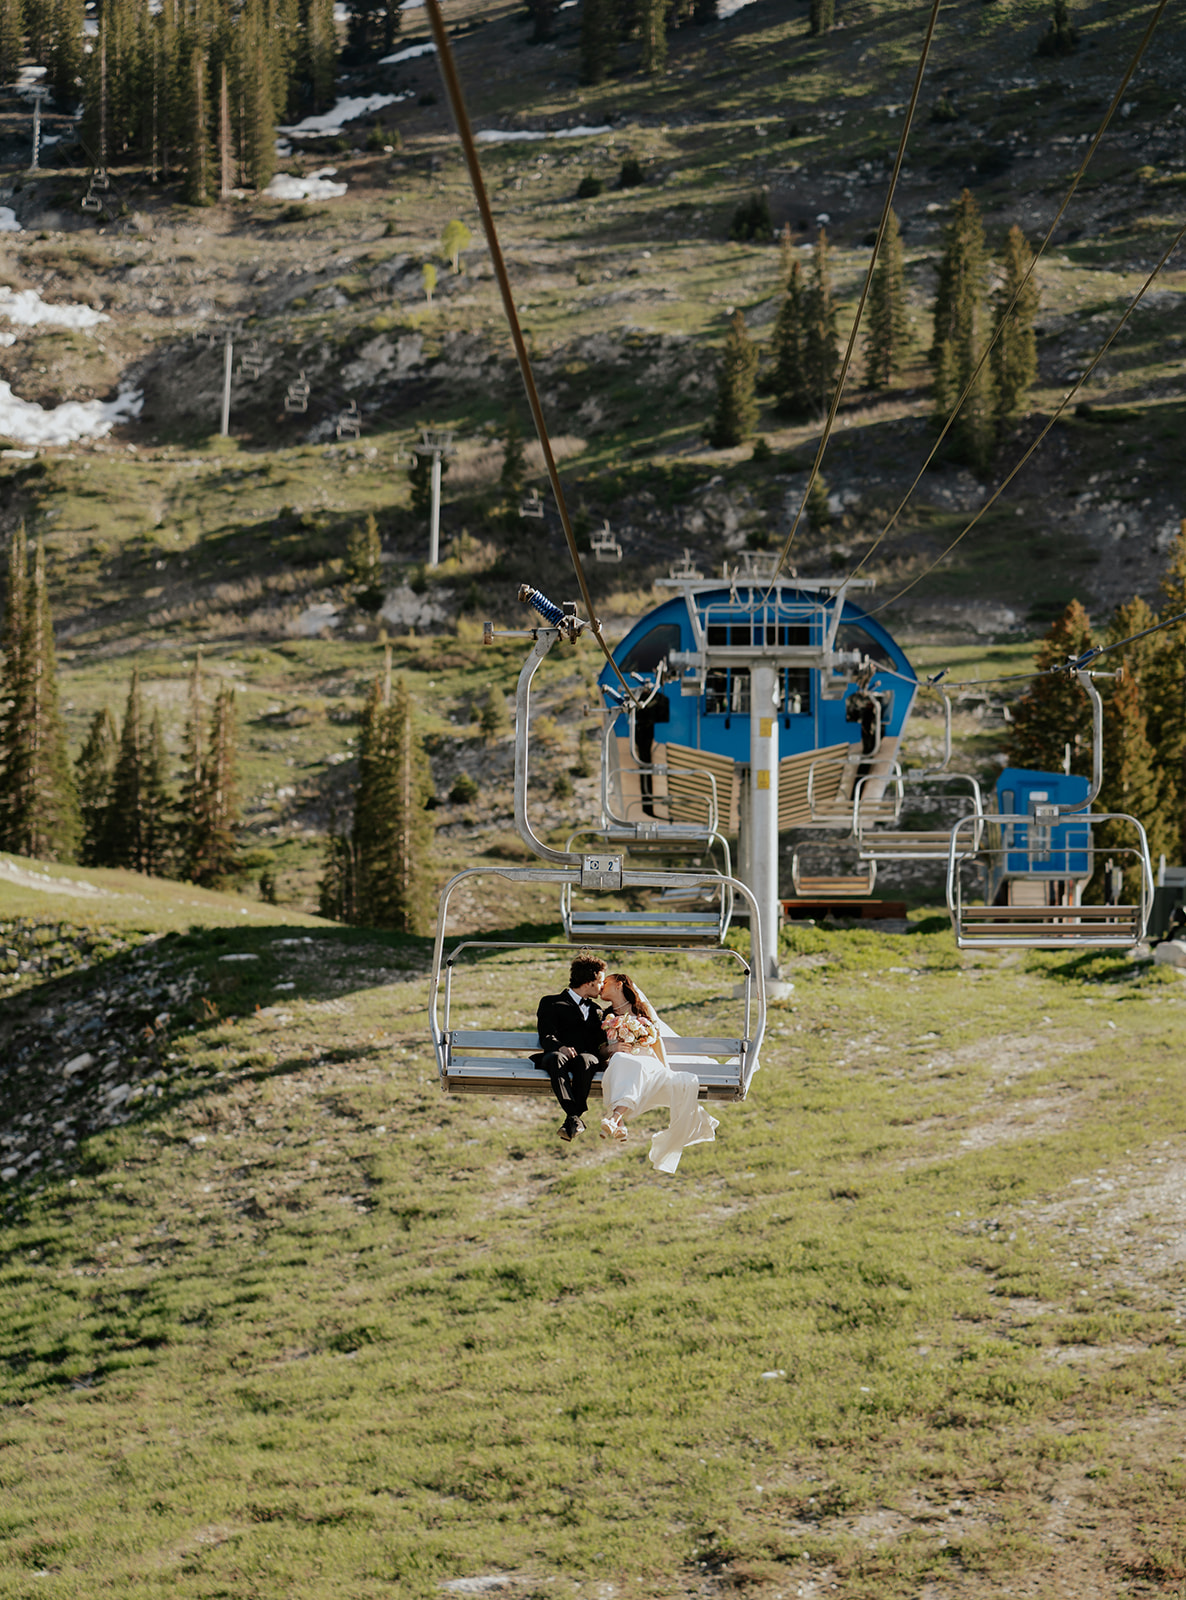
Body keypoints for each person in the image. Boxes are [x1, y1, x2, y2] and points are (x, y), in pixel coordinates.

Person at [598, 971, 719, 1175]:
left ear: (619, 984)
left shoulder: (641, 1011)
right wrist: (612, 1048)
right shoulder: (604, 1015)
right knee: (621, 1060)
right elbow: (599, 1048)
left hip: (646, 1061)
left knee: (634, 1065)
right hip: (621, 1060)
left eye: (606, 982)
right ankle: (616, 1121)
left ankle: (615, 1118)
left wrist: (665, 1068)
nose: (601, 986)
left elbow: (656, 1041)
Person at [531, 953, 607, 1142]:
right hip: (557, 1057)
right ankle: (575, 1116)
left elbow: (599, 1043)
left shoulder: (597, 1010)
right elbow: (546, 1035)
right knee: (556, 1057)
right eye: (600, 982)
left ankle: (572, 1118)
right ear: (589, 982)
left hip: (585, 1059)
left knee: (587, 1059)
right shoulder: (550, 1002)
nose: (602, 987)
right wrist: (561, 1047)